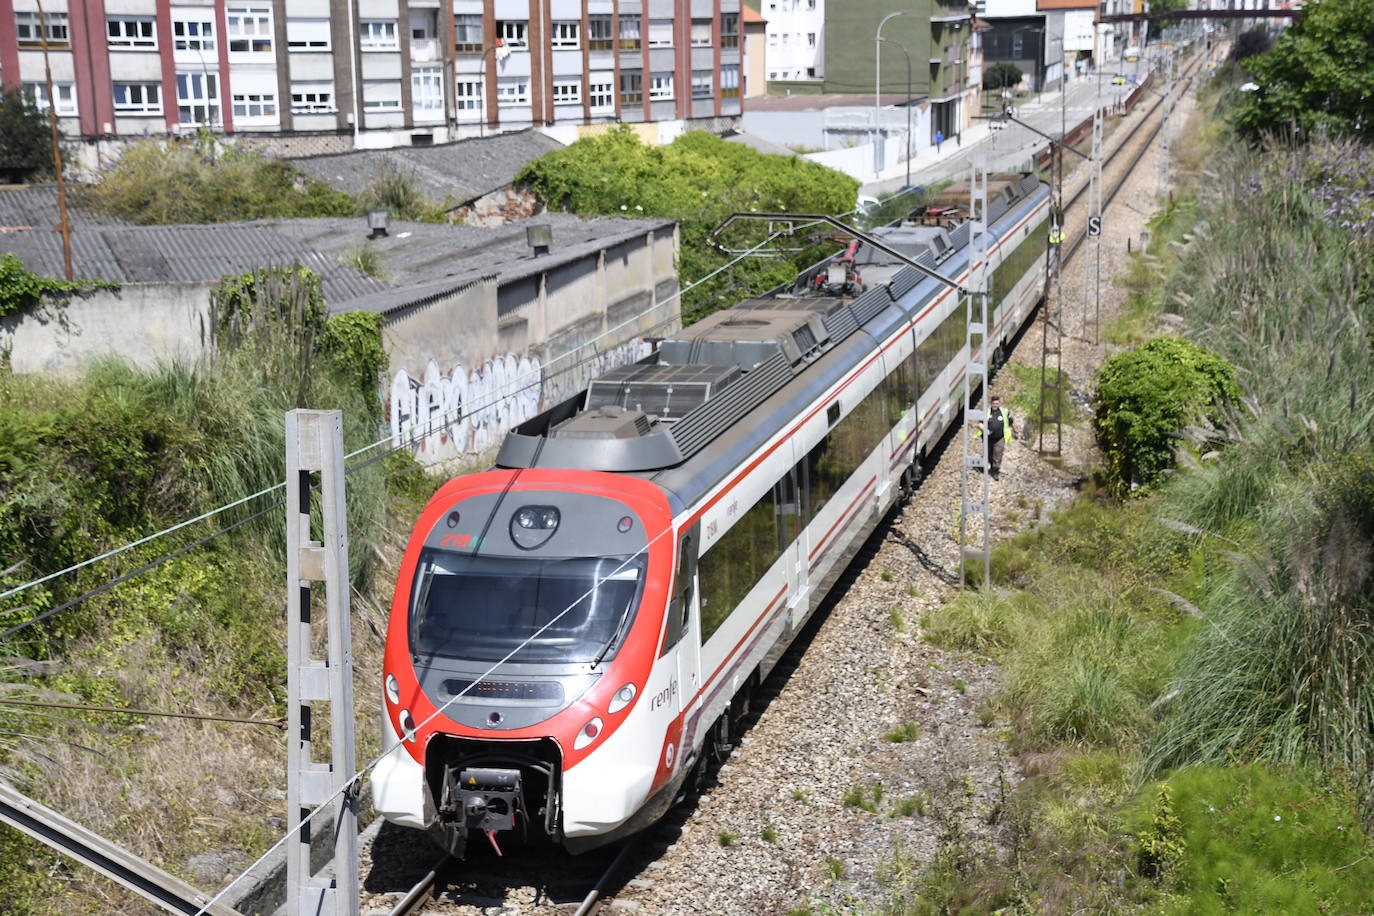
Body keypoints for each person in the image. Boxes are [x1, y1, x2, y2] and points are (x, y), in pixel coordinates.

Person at [979, 395, 1014, 480]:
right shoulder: (986, 412)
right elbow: (980, 423)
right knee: (988, 454)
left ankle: (995, 471)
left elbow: (1011, 422)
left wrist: (1015, 431)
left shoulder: (1004, 412)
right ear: (991, 403)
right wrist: (985, 429)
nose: (995, 405)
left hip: (999, 438)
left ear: (999, 403)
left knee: (998, 454)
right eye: (994, 403)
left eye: (997, 403)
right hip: (988, 438)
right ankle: (987, 465)